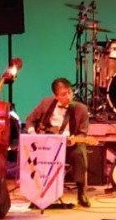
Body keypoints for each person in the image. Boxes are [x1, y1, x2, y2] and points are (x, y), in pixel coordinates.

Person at [22, 77, 92, 208]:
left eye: (70, 92)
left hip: (70, 145)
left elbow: (83, 133)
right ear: (56, 96)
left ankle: (81, 193)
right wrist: (33, 134)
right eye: (64, 94)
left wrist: (74, 140)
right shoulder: (46, 103)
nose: (68, 97)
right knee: (34, 155)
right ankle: (37, 193)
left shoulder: (81, 109)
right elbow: (29, 120)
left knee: (79, 154)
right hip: (47, 144)